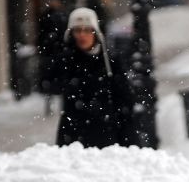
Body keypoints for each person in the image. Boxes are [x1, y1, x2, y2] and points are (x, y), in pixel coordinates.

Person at [53, 8, 133, 148]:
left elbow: (124, 97)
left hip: (107, 133)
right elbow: (52, 84)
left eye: (87, 30)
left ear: (95, 32)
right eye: (77, 30)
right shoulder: (65, 61)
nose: (82, 35)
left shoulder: (110, 61)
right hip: (74, 134)